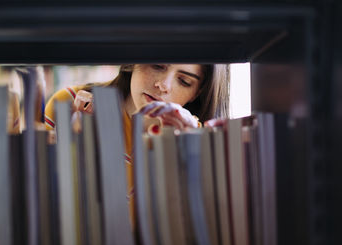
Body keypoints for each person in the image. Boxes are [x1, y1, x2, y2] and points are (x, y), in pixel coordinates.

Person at [44, 64, 230, 228]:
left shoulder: (199, 140)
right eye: (157, 66)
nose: (163, 85)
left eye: (184, 81)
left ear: (196, 92)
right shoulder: (68, 105)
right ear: (133, 60)